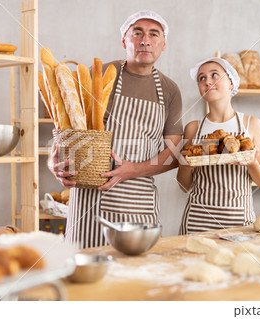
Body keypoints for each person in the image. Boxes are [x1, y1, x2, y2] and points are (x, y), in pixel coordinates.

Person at [49, 10, 183, 248]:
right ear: (124, 41)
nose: (145, 40)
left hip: (138, 204)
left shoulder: (170, 90)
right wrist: (54, 161)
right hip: (90, 201)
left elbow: (173, 154)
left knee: (134, 279)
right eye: (137, 33)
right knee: (84, 275)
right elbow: (67, 128)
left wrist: (131, 170)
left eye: (154, 34)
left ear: (163, 44)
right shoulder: (97, 77)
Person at [177, 57, 260, 235]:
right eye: (201, 78)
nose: (207, 81)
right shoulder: (193, 128)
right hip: (197, 222)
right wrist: (186, 164)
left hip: (239, 222)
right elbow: (183, 185)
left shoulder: (251, 124)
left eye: (214, 75)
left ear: (231, 83)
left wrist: (251, 162)